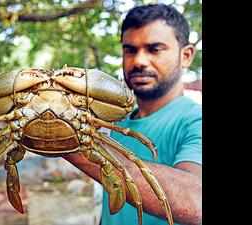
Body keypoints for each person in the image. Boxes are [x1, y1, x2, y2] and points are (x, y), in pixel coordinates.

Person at [63, 4, 202, 225]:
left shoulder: (196, 120)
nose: (139, 61)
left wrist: (75, 143)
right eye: (130, 50)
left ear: (186, 56)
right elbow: (115, 203)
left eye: (154, 49)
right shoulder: (119, 123)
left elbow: (196, 199)